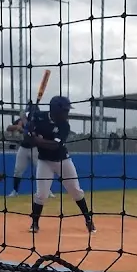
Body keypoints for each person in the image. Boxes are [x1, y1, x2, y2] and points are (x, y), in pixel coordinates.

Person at [29, 95, 95, 234]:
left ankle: (88, 220)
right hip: (44, 161)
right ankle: (34, 223)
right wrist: (28, 129)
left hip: (63, 161)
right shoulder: (38, 117)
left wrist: (38, 140)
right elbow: (27, 134)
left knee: (75, 190)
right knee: (41, 194)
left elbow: (55, 145)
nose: (67, 113)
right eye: (65, 110)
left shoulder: (65, 125)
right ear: (55, 110)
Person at [7, 104, 38, 196]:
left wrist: (23, 129)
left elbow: (32, 134)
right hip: (23, 148)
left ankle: (46, 190)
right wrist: (17, 127)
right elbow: (8, 128)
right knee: (18, 170)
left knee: (40, 169)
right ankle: (15, 191)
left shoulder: (38, 121)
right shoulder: (22, 120)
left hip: (35, 148)